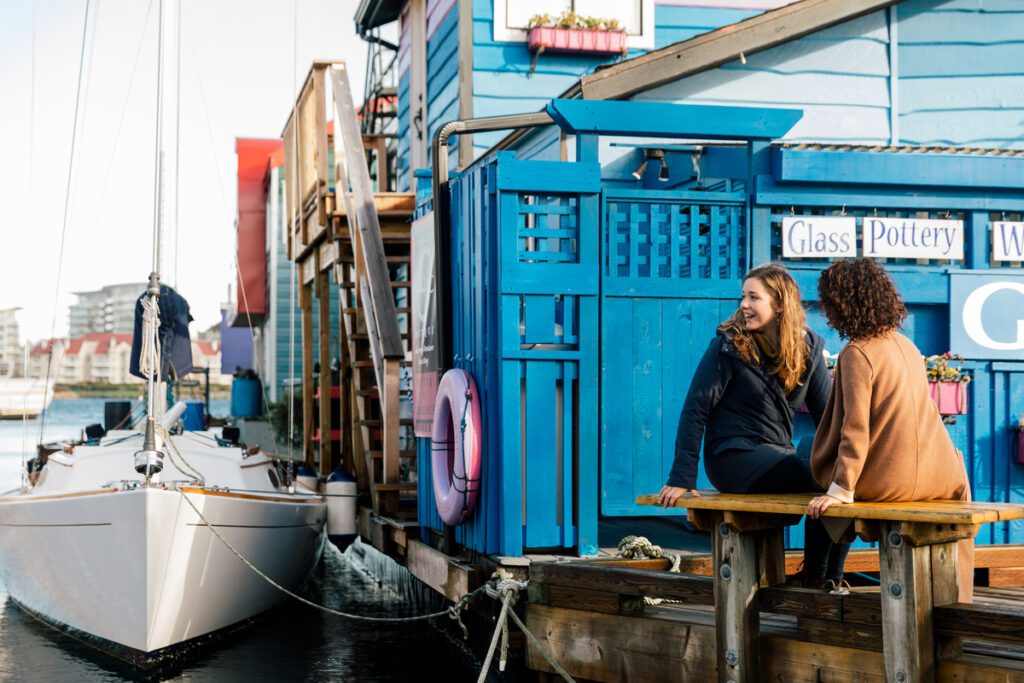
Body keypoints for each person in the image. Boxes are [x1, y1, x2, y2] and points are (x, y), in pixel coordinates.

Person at [658, 262, 849, 590]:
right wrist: (681, 478)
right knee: (829, 480)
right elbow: (695, 410)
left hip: (777, 454)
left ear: (779, 304)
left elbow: (828, 417)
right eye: (742, 297)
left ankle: (830, 577)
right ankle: (816, 577)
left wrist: (848, 463)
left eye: (753, 297)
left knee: (843, 480)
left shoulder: (808, 348)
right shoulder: (729, 345)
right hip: (734, 458)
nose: (743, 304)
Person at [807, 258, 974, 601]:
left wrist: (839, 490)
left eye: (827, 300)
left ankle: (817, 576)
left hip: (892, 483)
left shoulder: (857, 352)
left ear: (842, 303)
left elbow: (855, 429)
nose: (824, 309)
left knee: (809, 464)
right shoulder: (907, 347)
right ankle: (829, 576)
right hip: (938, 477)